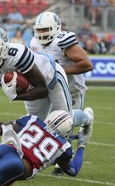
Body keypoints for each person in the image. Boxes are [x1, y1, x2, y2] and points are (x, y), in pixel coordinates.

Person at [0, 26, 74, 148]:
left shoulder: (18, 55)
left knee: (63, 121)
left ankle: (85, 118)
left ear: (5, 47)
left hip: (52, 77)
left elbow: (43, 90)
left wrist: (16, 97)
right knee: (34, 126)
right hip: (32, 87)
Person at [30, 11, 94, 176]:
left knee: (68, 123)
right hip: (52, 89)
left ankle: (87, 118)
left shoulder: (62, 41)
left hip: (72, 89)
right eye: (40, 30)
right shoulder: (33, 42)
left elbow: (87, 64)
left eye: (46, 30)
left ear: (56, 28)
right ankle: (55, 158)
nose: (42, 33)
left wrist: (58, 72)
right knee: (49, 124)